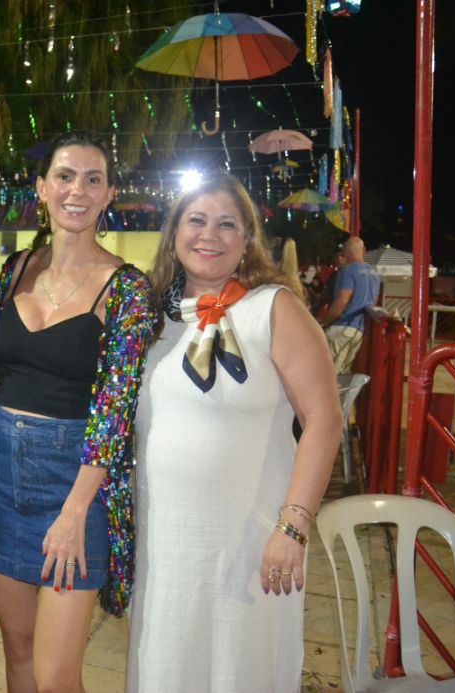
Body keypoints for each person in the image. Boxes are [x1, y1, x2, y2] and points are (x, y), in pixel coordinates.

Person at [128, 174, 341, 692]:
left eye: (227, 224)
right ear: (175, 233)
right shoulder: (149, 318)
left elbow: (325, 420)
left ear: (247, 238)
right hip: (164, 543)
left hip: (252, 542)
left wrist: (292, 527)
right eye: (197, 220)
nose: (210, 235)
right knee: (166, 669)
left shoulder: (273, 307)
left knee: (241, 670)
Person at [0, 131, 156, 692]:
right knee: (19, 652)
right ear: (41, 187)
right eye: (65, 177)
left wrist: (75, 512)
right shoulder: (15, 268)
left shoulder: (127, 288)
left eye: (93, 180)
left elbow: (115, 409)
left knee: (55, 676)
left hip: (76, 482)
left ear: (109, 194)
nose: (78, 190)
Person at [321, 236, 379, 373]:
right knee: (344, 374)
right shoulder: (374, 274)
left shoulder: (347, 271)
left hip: (342, 327)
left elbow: (342, 300)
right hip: (358, 331)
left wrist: (324, 323)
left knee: (328, 373)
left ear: (346, 252)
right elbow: (373, 303)